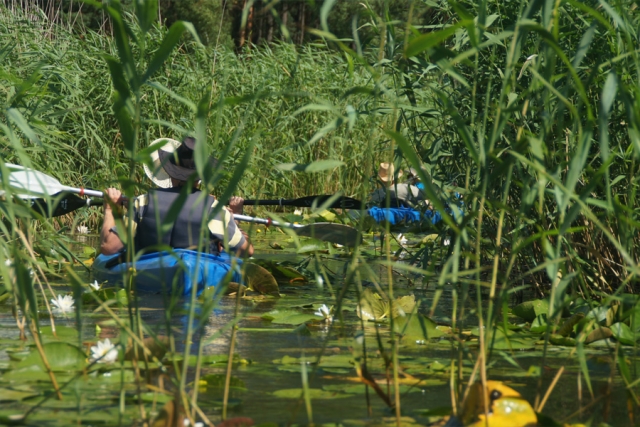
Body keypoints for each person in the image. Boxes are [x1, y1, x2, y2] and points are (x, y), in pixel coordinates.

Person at [100, 137, 253, 258]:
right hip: (197, 274)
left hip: (151, 271)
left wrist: (111, 208)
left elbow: (109, 248)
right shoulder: (214, 208)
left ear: (169, 170)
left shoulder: (143, 202)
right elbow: (246, 252)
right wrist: (235, 220)